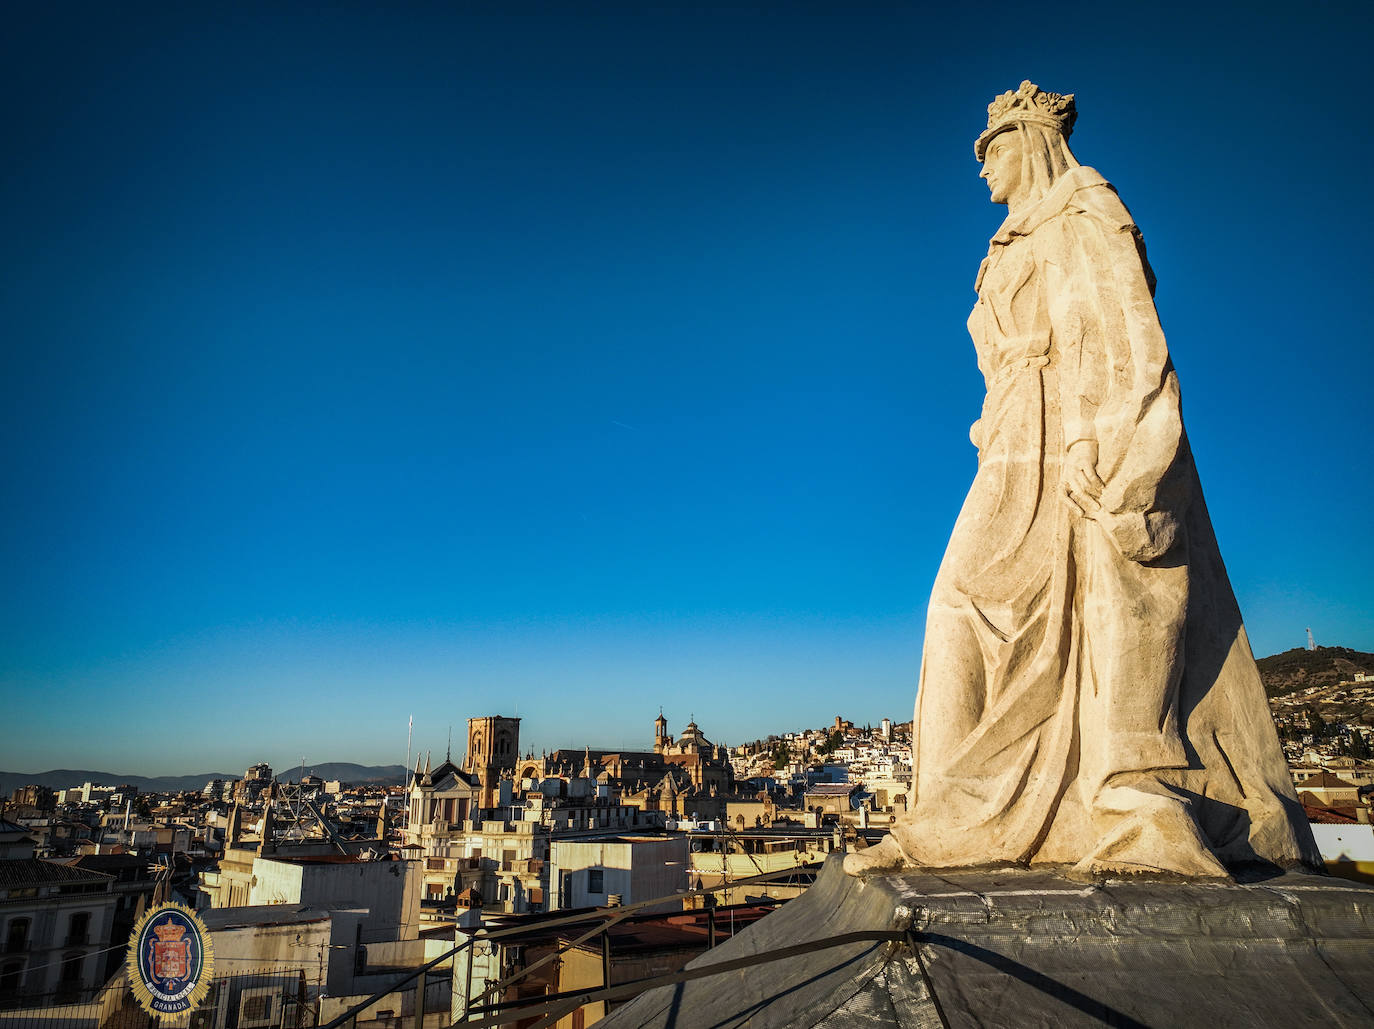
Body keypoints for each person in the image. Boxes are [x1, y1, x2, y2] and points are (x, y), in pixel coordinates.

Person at [847, 83, 1318, 877]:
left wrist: (1110, 443)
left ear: (1031, 141)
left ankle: (1084, 800)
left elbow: (1125, 333)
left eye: (992, 148)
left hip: (1067, 437)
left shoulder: (1084, 212)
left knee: (1044, 607)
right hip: (1011, 443)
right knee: (955, 607)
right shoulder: (1012, 242)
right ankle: (949, 816)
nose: (982, 167)